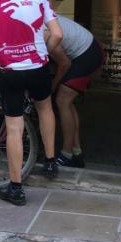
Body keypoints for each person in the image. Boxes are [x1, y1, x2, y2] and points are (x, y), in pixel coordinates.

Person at [0, 0, 63, 206]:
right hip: (37, 65)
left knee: (14, 127)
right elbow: (57, 34)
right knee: (45, 107)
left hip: (9, 69)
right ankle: (49, 162)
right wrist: (43, 54)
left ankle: (16, 188)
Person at [46, 15, 106, 168]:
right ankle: (76, 152)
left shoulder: (42, 32)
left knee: (62, 100)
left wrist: (52, 87)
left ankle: (66, 155)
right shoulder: (34, 18)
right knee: (67, 102)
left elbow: (64, 63)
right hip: (87, 51)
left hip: (88, 54)